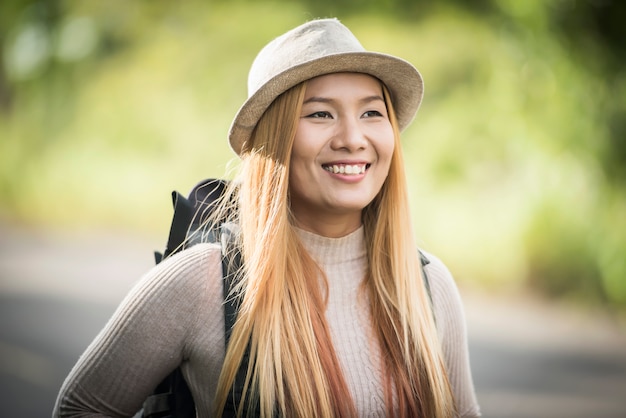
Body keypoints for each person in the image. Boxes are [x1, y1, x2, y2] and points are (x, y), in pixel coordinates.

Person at [54, 18, 481, 418]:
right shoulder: (201, 282)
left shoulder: (429, 286)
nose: (353, 139)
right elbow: (80, 408)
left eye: (372, 112)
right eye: (320, 114)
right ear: (274, 141)